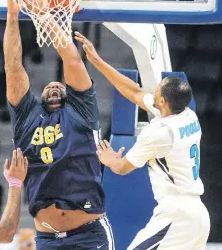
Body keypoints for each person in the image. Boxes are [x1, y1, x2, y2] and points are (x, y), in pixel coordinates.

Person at [75, 31, 210, 250]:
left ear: (163, 101)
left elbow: (122, 168)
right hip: (198, 215)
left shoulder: (159, 133)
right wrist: (98, 61)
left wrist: (108, 159)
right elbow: (134, 92)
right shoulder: (187, 116)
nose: (153, 92)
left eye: (156, 91)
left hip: (177, 215)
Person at [3, 0, 114, 250]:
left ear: (70, 94)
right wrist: (12, 15)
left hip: (89, 234)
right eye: (49, 87)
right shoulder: (26, 117)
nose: (54, 87)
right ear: (38, 96)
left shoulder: (82, 110)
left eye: (59, 87)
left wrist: (44, 16)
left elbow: (72, 58)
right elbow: (13, 66)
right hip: (46, 238)